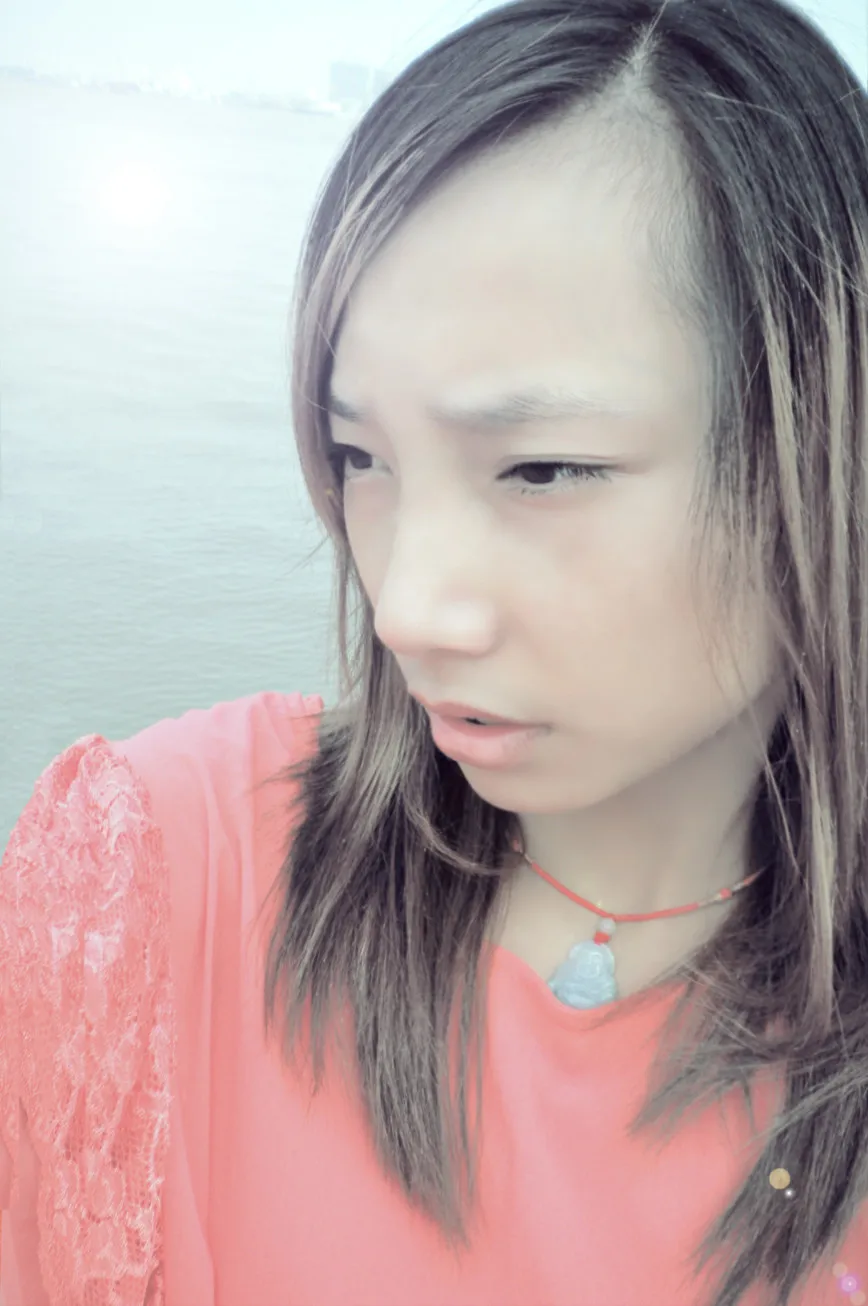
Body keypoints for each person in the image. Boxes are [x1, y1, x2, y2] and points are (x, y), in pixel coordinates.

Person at [2, 0, 868, 1301]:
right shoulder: (153, 875)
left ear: (826, 436)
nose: (405, 605)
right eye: (361, 456)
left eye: (542, 468)